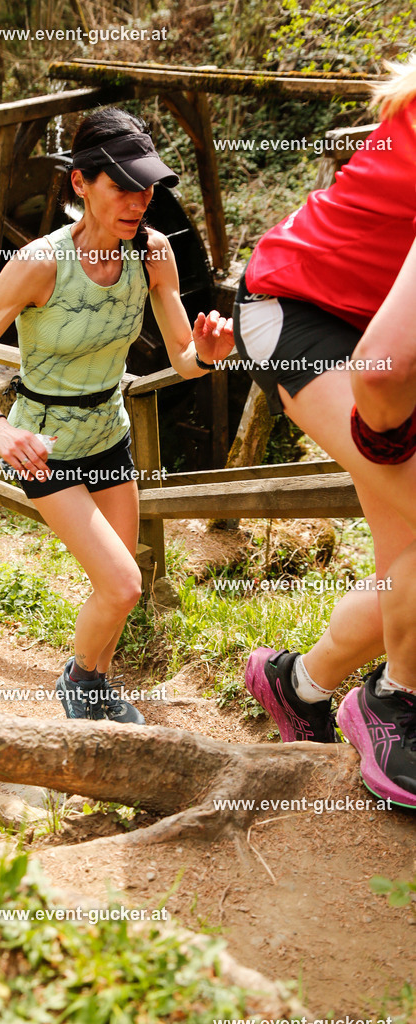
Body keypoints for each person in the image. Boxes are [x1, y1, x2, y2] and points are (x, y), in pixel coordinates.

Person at [0, 107, 234, 724]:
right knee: (124, 583)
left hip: (110, 434)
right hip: (44, 446)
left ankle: (98, 681)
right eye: (122, 186)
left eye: (147, 187)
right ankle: (79, 683)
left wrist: (206, 356)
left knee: (121, 585)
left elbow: (183, 358)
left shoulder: (155, 254)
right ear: (81, 183)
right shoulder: (40, 264)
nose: (139, 200)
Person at [232, 56, 416, 807]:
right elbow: (378, 373)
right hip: (300, 316)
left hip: (382, 337)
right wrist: (389, 445)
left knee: (404, 558)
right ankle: (391, 704)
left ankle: (296, 685)